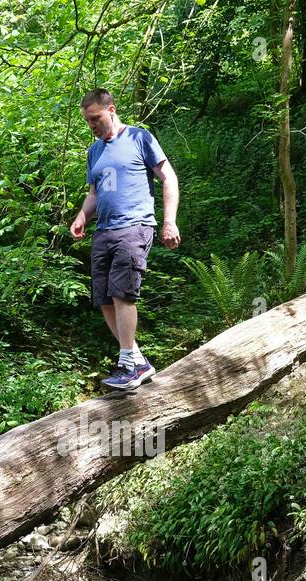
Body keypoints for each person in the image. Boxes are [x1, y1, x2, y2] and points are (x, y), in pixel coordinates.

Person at [70, 88, 181, 390]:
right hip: (103, 231)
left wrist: (169, 221)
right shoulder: (94, 151)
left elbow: (168, 177)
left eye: (95, 119)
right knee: (104, 298)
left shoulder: (139, 138)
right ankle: (138, 361)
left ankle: (127, 366)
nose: (92, 125)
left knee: (122, 293)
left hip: (135, 225)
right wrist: (82, 216)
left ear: (112, 110)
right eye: (88, 121)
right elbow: (94, 194)